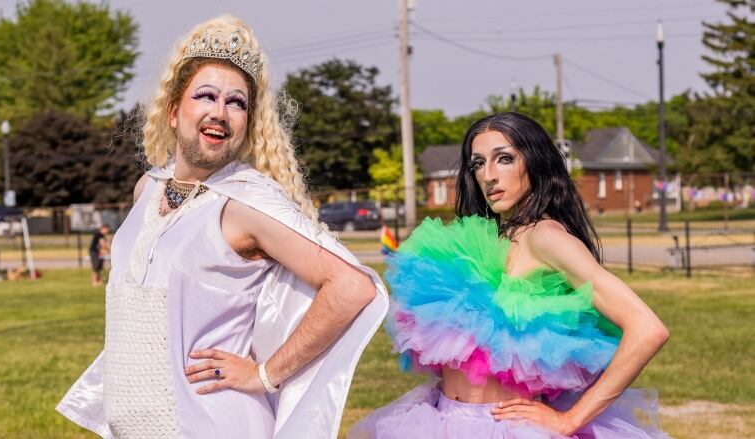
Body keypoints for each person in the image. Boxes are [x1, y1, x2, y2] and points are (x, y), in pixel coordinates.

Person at [57, 15, 388, 439]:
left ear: (248, 124)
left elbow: (351, 286)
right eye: (207, 96)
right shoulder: (148, 187)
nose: (220, 112)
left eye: (237, 103)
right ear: (175, 111)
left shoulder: (244, 201)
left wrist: (266, 375)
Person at [350, 112, 670, 438]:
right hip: (442, 420)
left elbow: (647, 329)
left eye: (504, 159)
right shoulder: (484, 240)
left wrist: (570, 419)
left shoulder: (546, 236)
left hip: (505, 429)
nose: (488, 175)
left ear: (534, 161)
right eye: (477, 164)